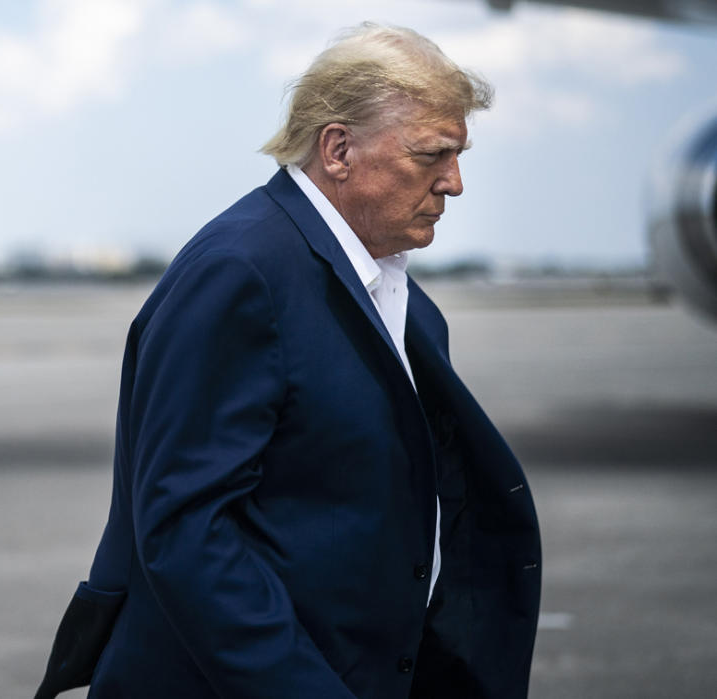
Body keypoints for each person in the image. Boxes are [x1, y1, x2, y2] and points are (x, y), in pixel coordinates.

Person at [36, 22, 540, 699]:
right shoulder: (241, 272)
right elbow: (188, 535)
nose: (454, 183)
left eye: (460, 154)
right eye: (432, 154)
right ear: (338, 150)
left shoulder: (394, 290)